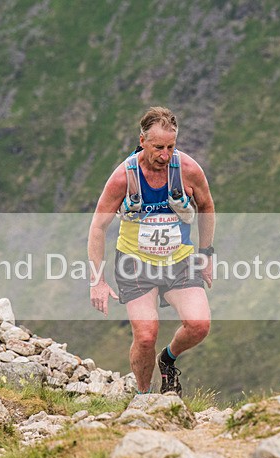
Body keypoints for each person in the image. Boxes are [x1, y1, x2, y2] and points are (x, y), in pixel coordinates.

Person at [89, 107, 216, 396]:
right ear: (142, 140)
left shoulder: (188, 170)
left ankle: (168, 360)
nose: (165, 154)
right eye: (158, 147)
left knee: (199, 325)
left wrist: (206, 253)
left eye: (171, 146)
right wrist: (97, 280)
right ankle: (145, 398)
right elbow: (97, 227)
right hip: (135, 265)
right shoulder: (124, 177)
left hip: (179, 261)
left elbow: (207, 206)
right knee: (146, 336)